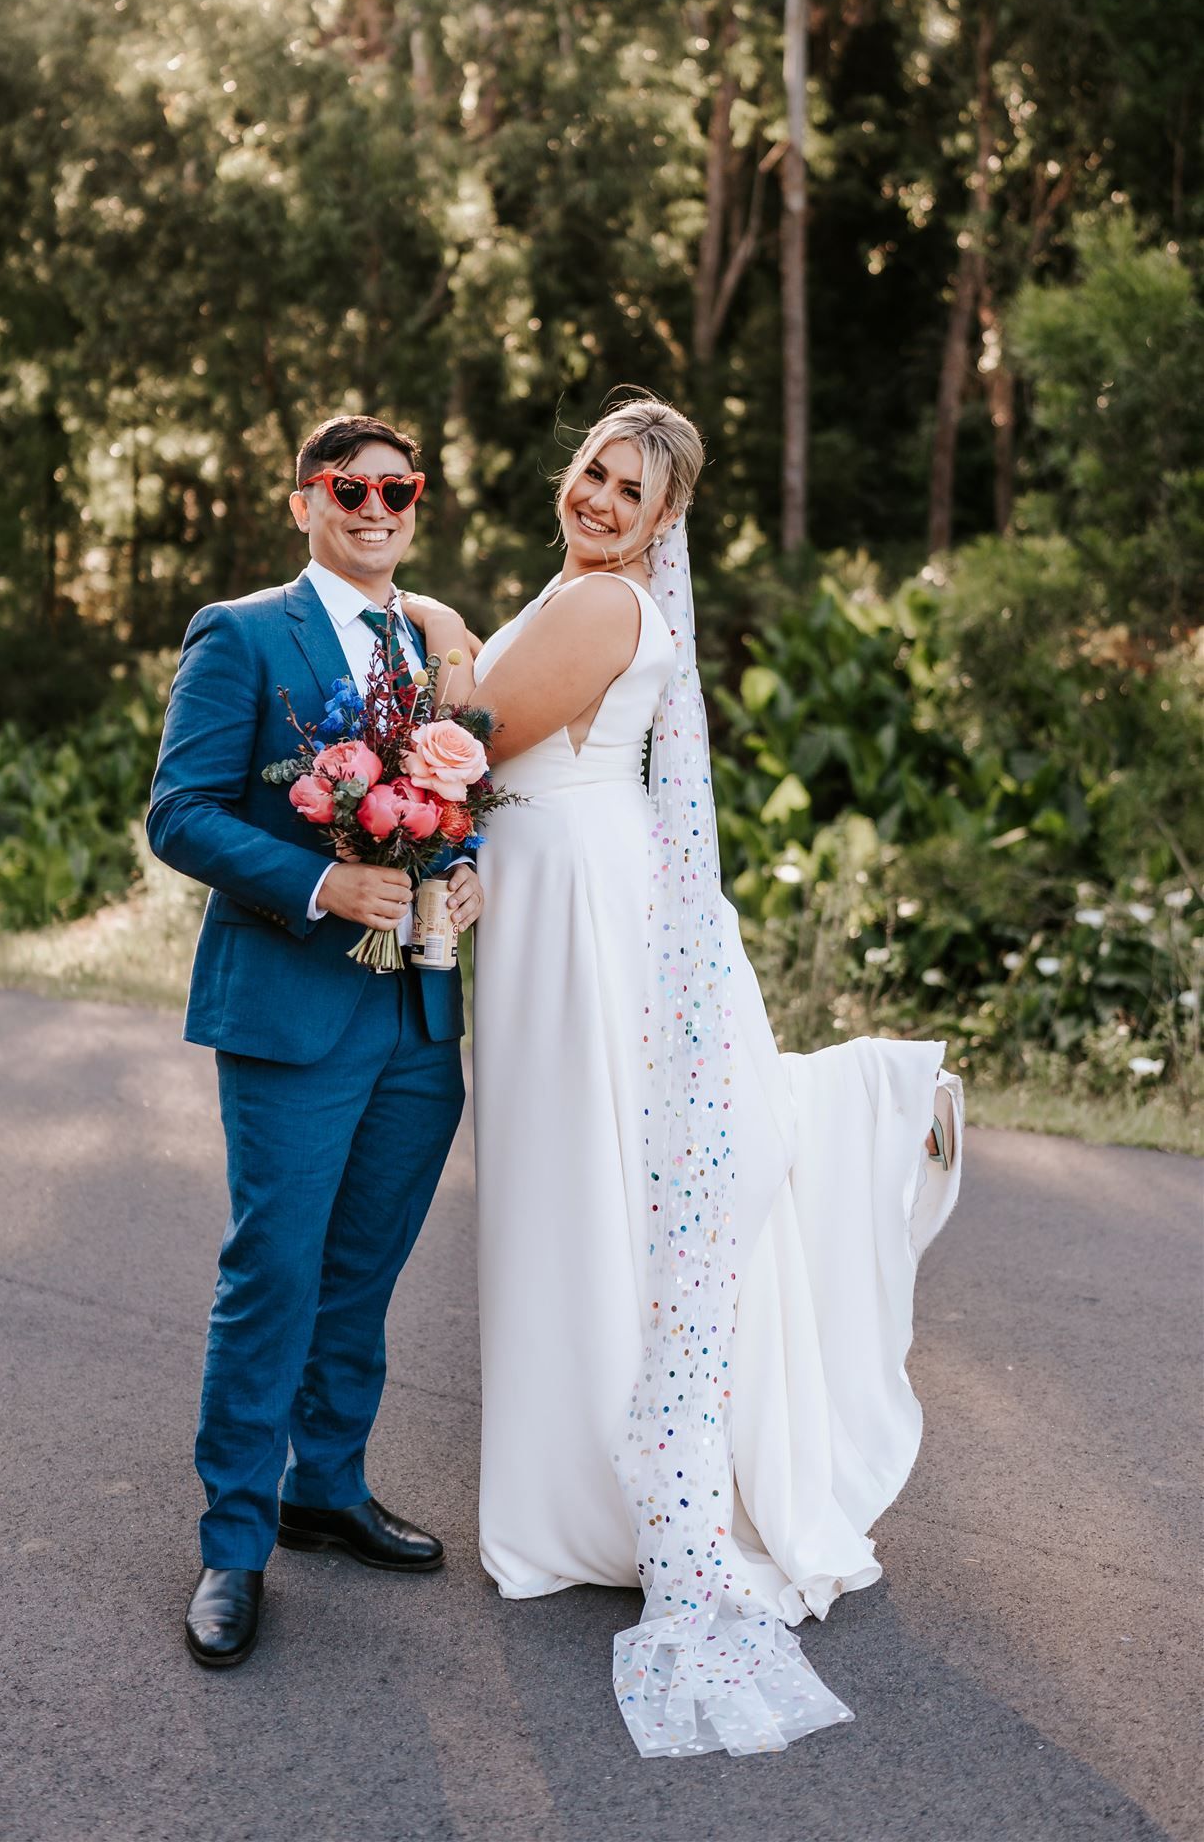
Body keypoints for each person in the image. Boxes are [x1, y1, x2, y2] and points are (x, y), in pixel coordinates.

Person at [404, 395, 961, 1758]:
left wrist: (435, 631)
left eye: (630, 491)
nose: (599, 497)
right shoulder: (571, 585)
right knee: (570, 1191)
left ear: (665, 524)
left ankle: (593, 1497)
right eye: (594, 470)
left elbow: (473, 733)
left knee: (592, 1188)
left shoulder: (602, 611)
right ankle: (568, 1487)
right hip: (548, 909)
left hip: (589, 922)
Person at [148, 413, 483, 1670]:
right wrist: (316, 882)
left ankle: (325, 1486)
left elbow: (455, 798)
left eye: (399, 487)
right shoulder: (241, 632)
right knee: (274, 1271)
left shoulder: (426, 640)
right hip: (290, 1005)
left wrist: (467, 866)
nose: (378, 505)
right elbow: (176, 813)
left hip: (415, 1014)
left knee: (364, 1266)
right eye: (352, 486)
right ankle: (233, 1545)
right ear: (306, 500)